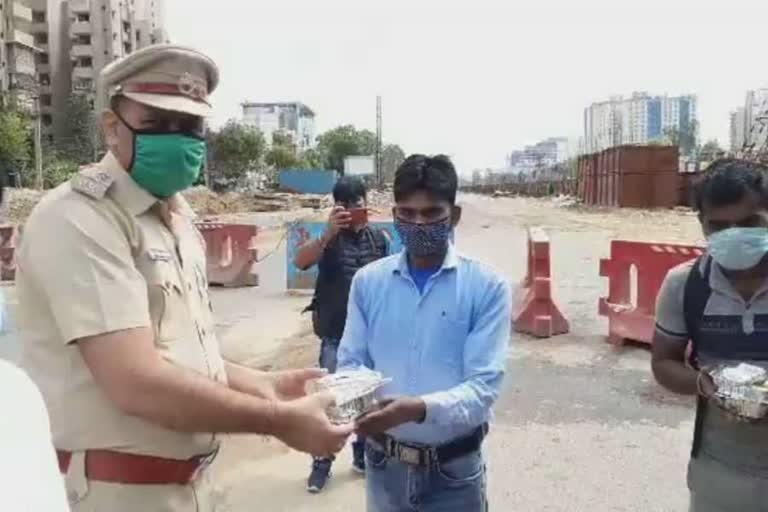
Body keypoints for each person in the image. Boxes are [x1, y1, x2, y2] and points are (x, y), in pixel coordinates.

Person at [15, 44, 351, 512]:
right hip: (115, 495)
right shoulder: (80, 219)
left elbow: (181, 357)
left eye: (191, 127)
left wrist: (266, 385)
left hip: (190, 488)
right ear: (113, 128)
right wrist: (277, 419)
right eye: (157, 125)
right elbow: (136, 380)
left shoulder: (174, 217)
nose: (179, 139)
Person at [337, 154, 511, 512]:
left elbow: (483, 390)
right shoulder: (368, 283)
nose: (418, 224)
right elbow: (351, 363)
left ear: (455, 216)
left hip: (454, 471)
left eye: (431, 214)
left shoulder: (486, 286)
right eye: (407, 214)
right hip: (384, 466)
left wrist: (417, 409)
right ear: (395, 214)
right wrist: (351, 404)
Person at [652, 159, 768, 512]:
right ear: (701, 224)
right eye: (719, 227)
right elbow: (664, 362)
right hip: (722, 466)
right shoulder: (685, 285)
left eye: (749, 223)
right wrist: (704, 383)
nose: (734, 235)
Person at [295, 176, 390, 493]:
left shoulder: (381, 240)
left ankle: (362, 456)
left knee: (368, 403)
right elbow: (301, 261)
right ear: (337, 208)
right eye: (345, 205)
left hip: (371, 340)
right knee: (331, 405)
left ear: (366, 204)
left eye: (357, 204)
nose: (353, 210)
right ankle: (321, 464)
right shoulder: (328, 240)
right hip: (335, 336)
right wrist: (327, 234)